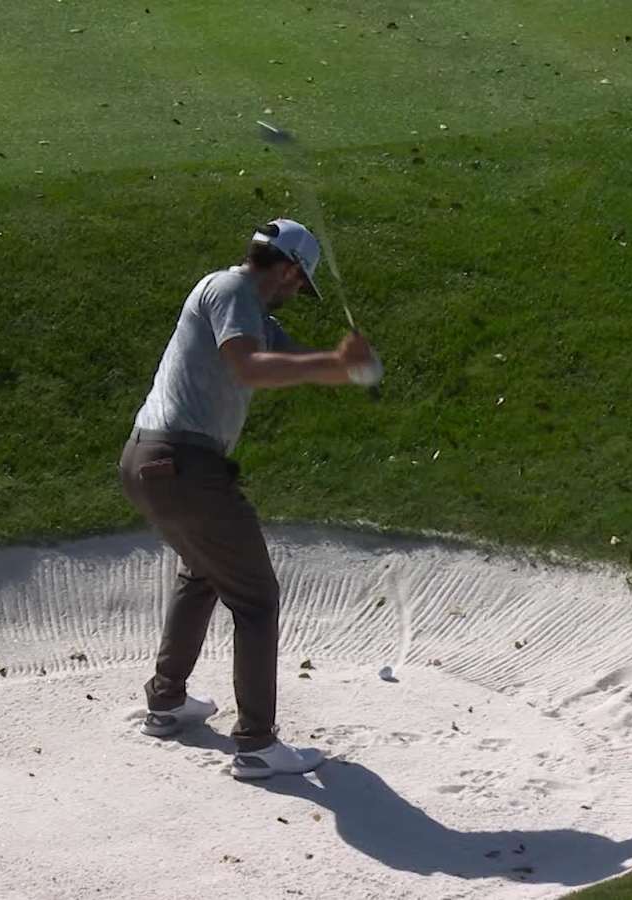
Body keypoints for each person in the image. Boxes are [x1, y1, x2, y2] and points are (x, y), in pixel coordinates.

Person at [119, 218, 382, 779]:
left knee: (202, 573)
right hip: (184, 465)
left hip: (150, 463)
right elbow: (250, 367)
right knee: (257, 599)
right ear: (287, 270)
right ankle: (257, 745)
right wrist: (335, 363)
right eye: (300, 283)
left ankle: (167, 702)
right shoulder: (231, 288)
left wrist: (349, 366)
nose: (297, 292)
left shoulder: (254, 316)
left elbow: (291, 362)